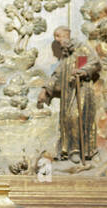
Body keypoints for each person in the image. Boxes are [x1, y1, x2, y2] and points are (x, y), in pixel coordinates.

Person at [38, 27, 101, 163]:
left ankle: (83, 150)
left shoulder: (81, 48)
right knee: (68, 119)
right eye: (56, 37)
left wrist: (83, 71)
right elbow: (57, 75)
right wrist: (45, 90)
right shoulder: (66, 57)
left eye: (58, 36)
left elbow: (95, 62)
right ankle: (72, 150)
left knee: (76, 116)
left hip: (81, 90)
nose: (57, 40)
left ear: (67, 35)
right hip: (68, 94)